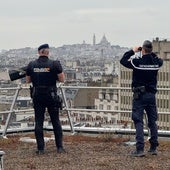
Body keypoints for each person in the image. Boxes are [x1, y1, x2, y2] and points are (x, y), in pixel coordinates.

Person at [120, 40, 163, 157]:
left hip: (139, 96)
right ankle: (153, 147)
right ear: (151, 50)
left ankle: (140, 149)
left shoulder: (137, 62)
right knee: (152, 121)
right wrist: (151, 54)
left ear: (142, 50)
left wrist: (133, 51)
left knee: (138, 121)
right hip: (151, 96)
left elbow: (123, 61)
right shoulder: (156, 63)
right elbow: (159, 60)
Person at [26, 44, 66, 154]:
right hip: (51, 95)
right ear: (48, 52)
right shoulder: (54, 64)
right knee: (55, 121)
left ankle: (41, 149)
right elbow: (62, 79)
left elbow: (28, 80)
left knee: (39, 121)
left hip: (37, 96)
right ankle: (59, 147)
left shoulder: (32, 64)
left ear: (39, 52)